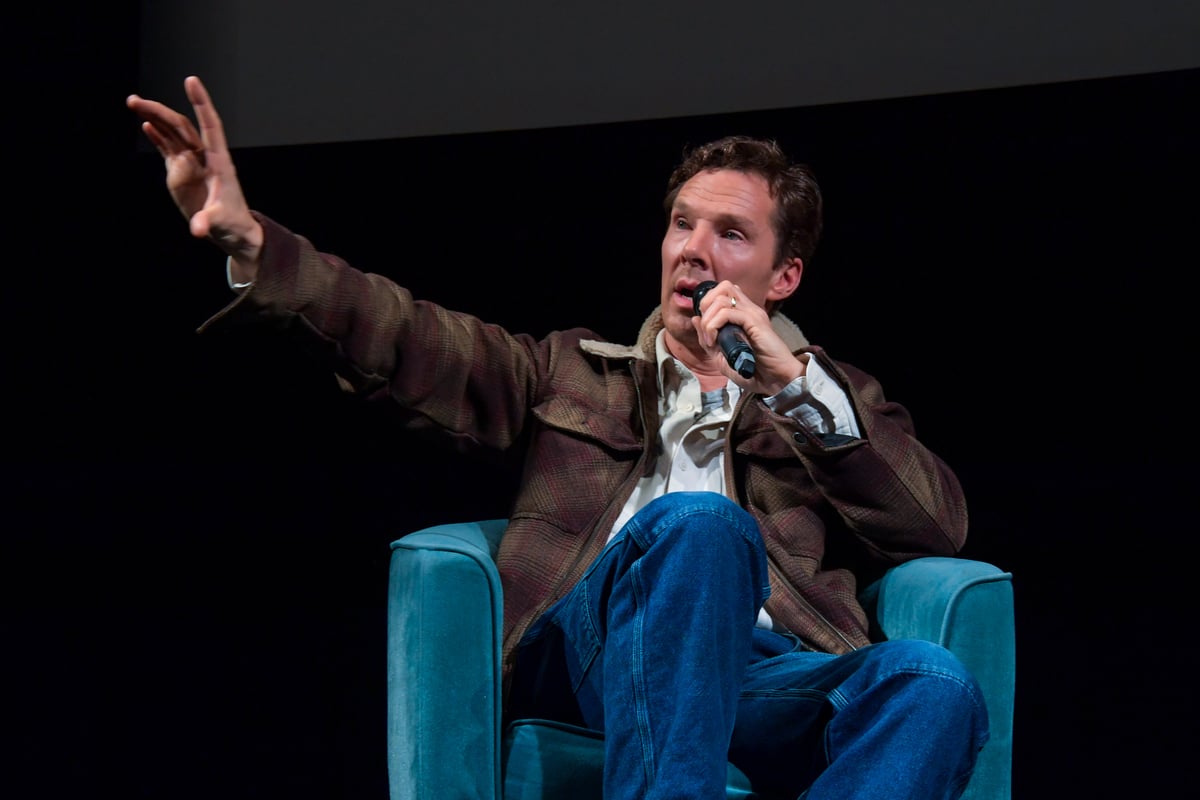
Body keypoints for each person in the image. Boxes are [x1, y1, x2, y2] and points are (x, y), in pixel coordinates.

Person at [128, 76, 989, 800]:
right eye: (681, 224)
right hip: (595, 651)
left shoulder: (825, 402)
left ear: (784, 274)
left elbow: (934, 524)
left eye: (730, 235)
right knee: (703, 528)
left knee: (935, 686)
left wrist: (794, 385)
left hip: (760, 669)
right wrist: (255, 245)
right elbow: (401, 335)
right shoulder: (569, 373)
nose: (694, 251)